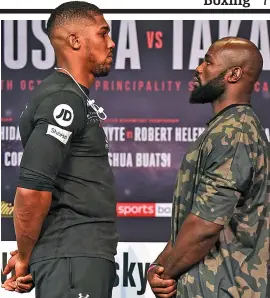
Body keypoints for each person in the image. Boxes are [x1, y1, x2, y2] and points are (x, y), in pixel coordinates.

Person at [2, 2, 118, 298]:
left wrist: (32, 250)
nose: (112, 42)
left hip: (76, 257)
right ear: (76, 41)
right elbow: (32, 190)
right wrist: (26, 258)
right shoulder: (62, 100)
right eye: (103, 34)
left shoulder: (72, 96)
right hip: (73, 259)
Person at [147, 37, 270, 298]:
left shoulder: (234, 134)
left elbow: (205, 226)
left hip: (224, 288)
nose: (199, 68)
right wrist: (158, 267)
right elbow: (196, 218)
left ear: (233, 74)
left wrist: (166, 273)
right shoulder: (224, 129)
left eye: (208, 62)